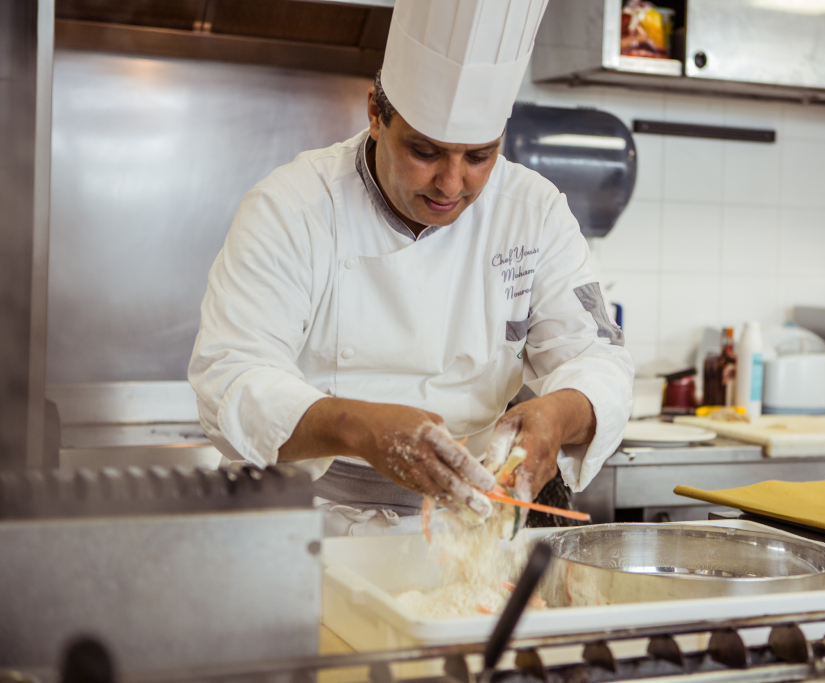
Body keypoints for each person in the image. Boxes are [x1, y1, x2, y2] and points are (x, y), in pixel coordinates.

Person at [188, 0, 634, 535]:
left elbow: (598, 359)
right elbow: (231, 377)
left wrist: (556, 416)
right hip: (302, 524)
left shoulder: (532, 212)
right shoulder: (293, 207)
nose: (451, 183)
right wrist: (356, 427)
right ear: (376, 115)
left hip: (463, 528)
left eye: (479, 157)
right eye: (425, 152)